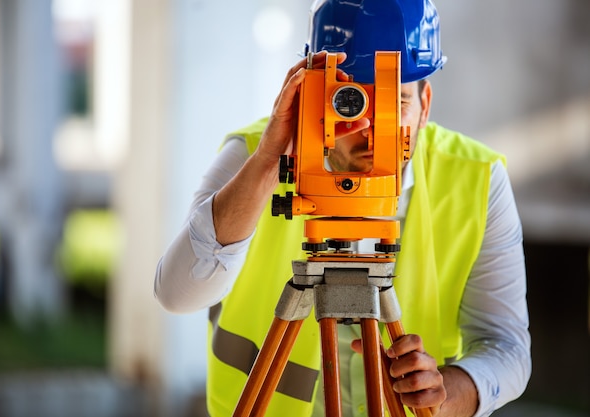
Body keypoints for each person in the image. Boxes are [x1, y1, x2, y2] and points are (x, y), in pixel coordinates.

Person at [154, 0, 531, 416]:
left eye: (396, 102)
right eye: (351, 101)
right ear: (314, 89)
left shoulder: (477, 179)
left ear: (426, 105)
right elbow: (176, 294)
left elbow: (507, 347)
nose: (370, 127)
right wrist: (268, 161)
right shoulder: (253, 153)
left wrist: (445, 393)